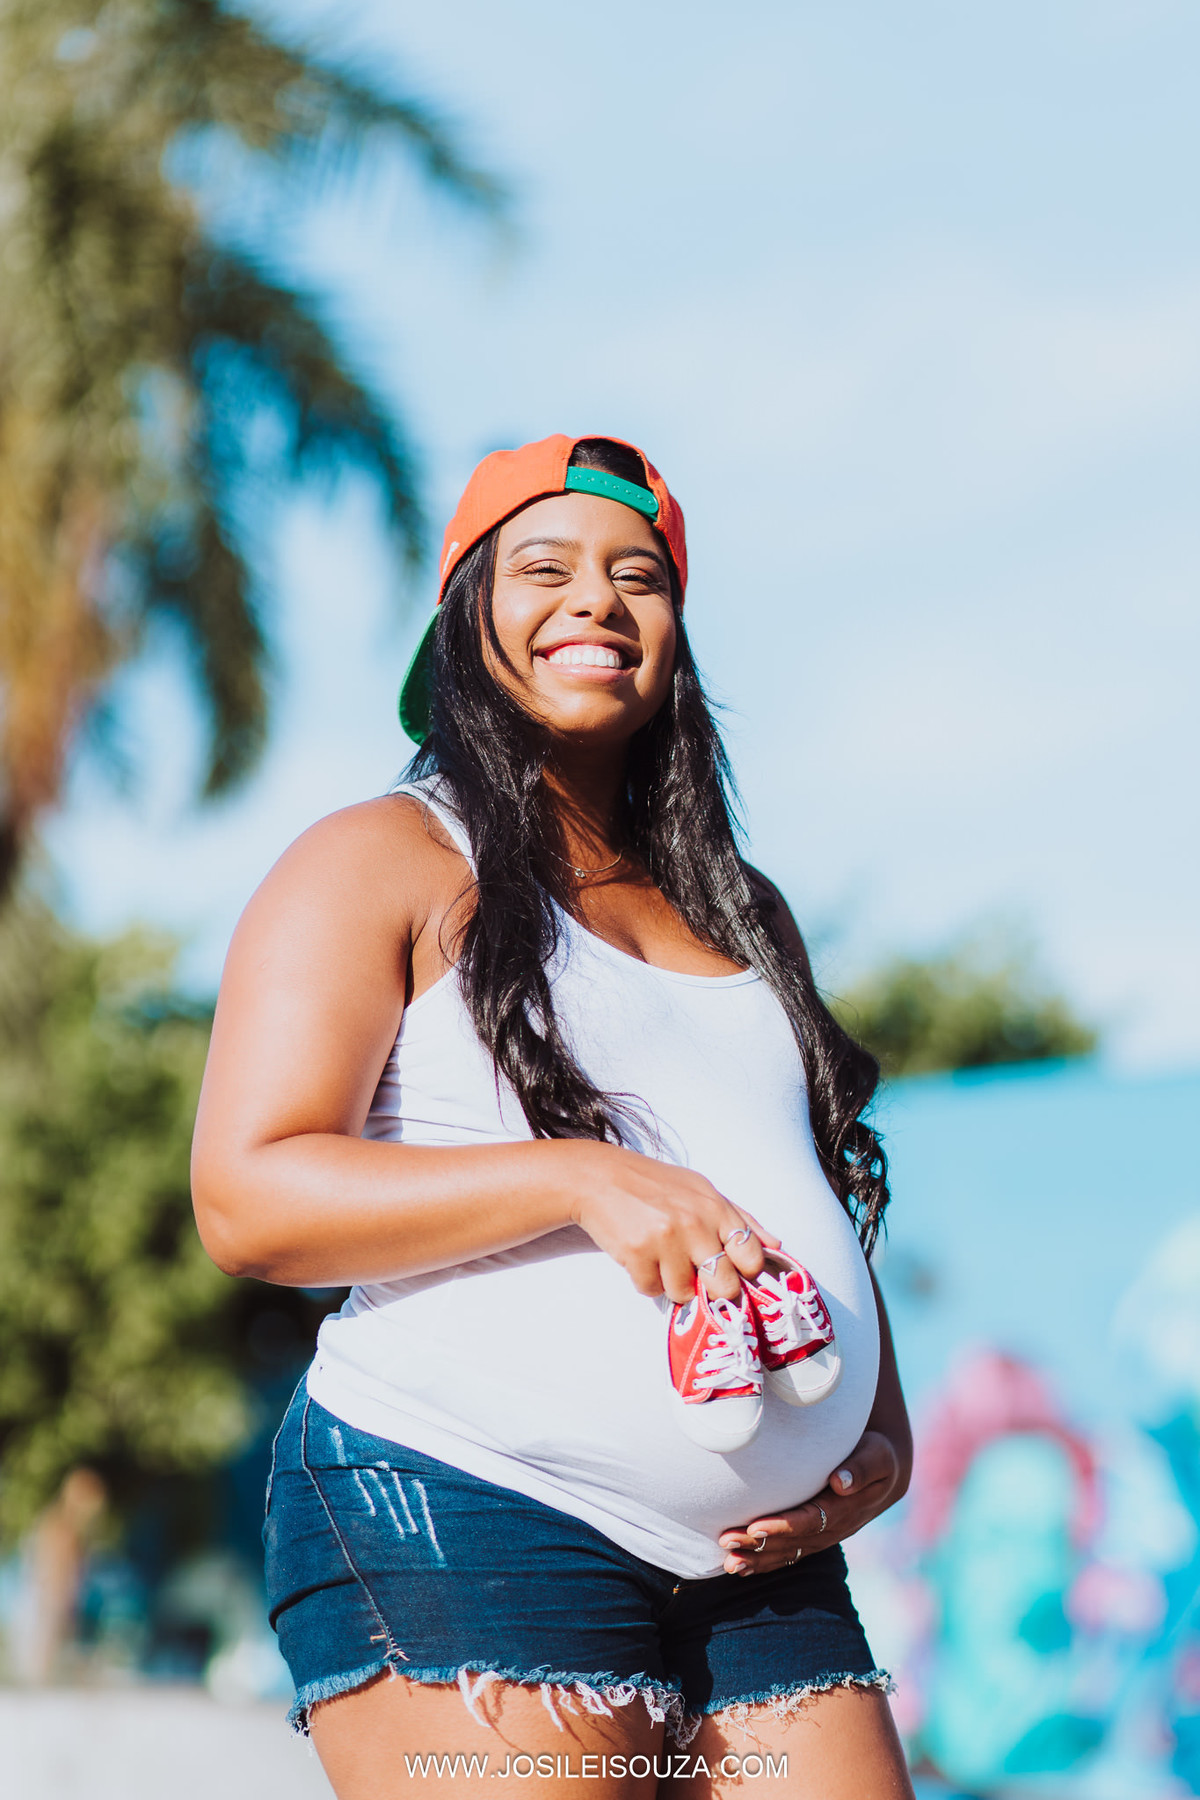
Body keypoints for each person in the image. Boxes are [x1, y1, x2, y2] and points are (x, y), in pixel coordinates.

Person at [191, 433, 915, 1799]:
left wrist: (880, 1435)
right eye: (545, 568)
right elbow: (249, 1197)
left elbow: (804, 1180)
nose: (598, 599)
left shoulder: (744, 911)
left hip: (762, 1562)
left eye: (639, 576)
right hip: (466, 1501)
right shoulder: (383, 858)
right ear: (466, 617)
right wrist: (582, 1178)